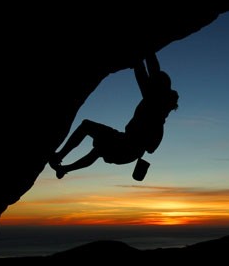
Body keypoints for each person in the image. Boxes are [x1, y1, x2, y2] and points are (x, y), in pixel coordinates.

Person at [49, 53, 179, 179]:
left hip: (126, 147)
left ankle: (60, 159)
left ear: (160, 89)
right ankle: (63, 168)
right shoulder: (156, 110)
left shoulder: (153, 101)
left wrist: (146, 53)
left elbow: (151, 70)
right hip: (126, 146)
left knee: (90, 133)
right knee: (96, 149)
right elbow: (151, 148)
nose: (151, 81)